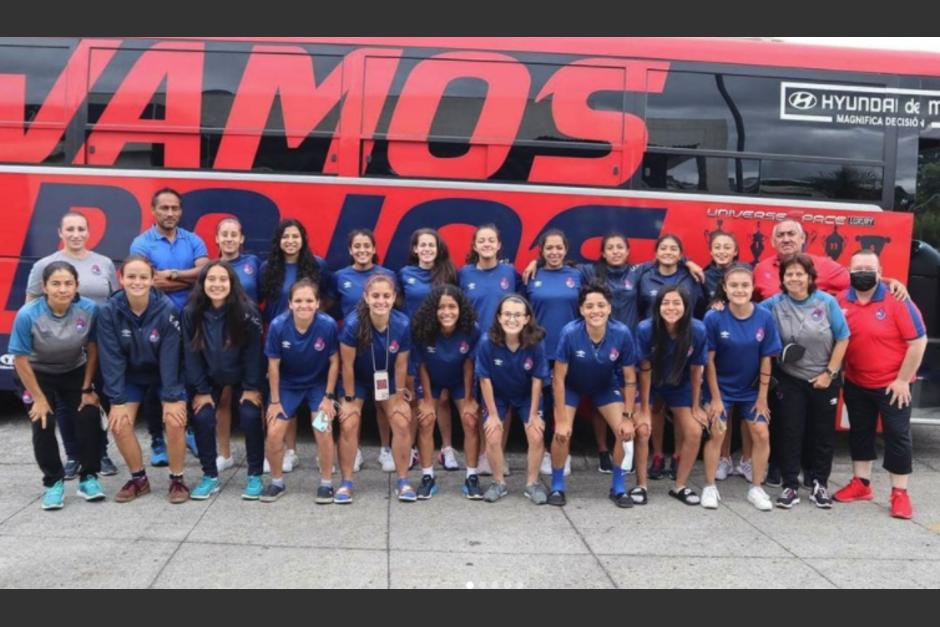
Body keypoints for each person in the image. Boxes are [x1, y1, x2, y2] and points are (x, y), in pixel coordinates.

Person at [834, 250, 927, 519]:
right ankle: (861, 484)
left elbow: (918, 342)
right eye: (858, 268)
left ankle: (900, 493)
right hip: (856, 381)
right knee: (860, 433)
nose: (863, 273)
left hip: (892, 385)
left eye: (869, 268)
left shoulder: (897, 299)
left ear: (879, 271)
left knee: (897, 437)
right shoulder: (841, 300)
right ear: (849, 271)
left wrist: (901, 380)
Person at [25, 211, 119, 478]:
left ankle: (100, 453)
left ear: (89, 233)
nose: (76, 234)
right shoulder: (45, 264)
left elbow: (113, 302)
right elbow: (31, 305)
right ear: (60, 232)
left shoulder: (104, 263)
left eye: (81, 229)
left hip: (99, 344)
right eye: (70, 229)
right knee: (67, 405)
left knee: (96, 399)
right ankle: (74, 456)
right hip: (63, 346)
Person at [11, 261, 104, 509]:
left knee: (89, 414)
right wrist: (39, 399)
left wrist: (87, 389)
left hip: (73, 370)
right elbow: (20, 360)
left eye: (68, 284)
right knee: (43, 420)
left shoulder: (89, 309)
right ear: (44, 286)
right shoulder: (28, 314)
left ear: (76, 286)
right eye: (56, 284)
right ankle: (54, 482)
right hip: (36, 373)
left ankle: (89, 477)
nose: (62, 289)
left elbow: (92, 349)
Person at [97, 255, 189, 504]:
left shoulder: (167, 308)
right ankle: (139, 479)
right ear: (121, 279)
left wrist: (171, 398)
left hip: (164, 374)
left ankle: (177, 479)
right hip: (131, 376)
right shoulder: (109, 312)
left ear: (152, 280)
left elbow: (171, 356)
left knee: (175, 419)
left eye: (143, 277)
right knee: (119, 422)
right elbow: (111, 358)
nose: (137, 282)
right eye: (131, 276)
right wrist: (116, 400)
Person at [760, 254, 849, 510]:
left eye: (800, 274)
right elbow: (746, 311)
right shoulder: (773, 304)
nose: (794, 278)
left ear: (810, 278)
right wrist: (720, 304)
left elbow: (843, 338)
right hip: (790, 379)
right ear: (783, 279)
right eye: (789, 274)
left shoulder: (826, 302)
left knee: (822, 434)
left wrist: (829, 373)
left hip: (823, 377)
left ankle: (820, 484)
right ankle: (790, 485)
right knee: (790, 431)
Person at [129, 188, 209, 466]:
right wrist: (189, 280)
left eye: (175, 208)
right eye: (164, 208)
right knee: (155, 385)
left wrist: (173, 274)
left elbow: (204, 273)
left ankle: (186, 432)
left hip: (190, 322)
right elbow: (149, 281)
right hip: (154, 324)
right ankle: (157, 441)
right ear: (153, 210)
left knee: (187, 379)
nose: (170, 213)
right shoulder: (141, 243)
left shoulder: (194, 240)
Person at [549, 283, 638, 508]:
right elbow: (558, 378)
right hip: (572, 386)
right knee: (562, 433)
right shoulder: (570, 332)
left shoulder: (622, 333)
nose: (595, 311)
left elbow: (629, 378)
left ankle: (618, 486)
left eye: (601, 305)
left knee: (623, 431)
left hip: (604, 386)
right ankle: (557, 485)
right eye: (589, 306)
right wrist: (560, 418)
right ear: (581, 310)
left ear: (609, 308)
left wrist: (628, 416)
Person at [182, 261, 265, 501]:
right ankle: (210, 476)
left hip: (242, 377)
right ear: (203, 283)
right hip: (209, 378)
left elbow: (253, 353)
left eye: (222, 280)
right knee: (203, 416)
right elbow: (191, 354)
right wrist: (201, 390)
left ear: (232, 283)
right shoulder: (191, 312)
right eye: (211, 280)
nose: (217, 284)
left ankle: (255, 475)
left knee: (250, 415)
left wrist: (250, 388)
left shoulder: (247, 310)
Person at [702, 264, 781, 511]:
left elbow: (766, 358)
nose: (739, 290)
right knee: (718, 431)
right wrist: (715, 399)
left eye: (745, 285)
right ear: (725, 288)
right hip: (720, 389)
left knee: (761, 433)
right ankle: (709, 486)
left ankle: (756, 488)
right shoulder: (713, 317)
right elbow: (709, 361)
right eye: (734, 285)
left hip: (750, 390)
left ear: (752, 288)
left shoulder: (764, 317)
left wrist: (762, 397)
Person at [259, 218, 330, 474]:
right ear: (279, 241)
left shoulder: (317, 265)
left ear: (303, 239)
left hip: (310, 343)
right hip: (280, 342)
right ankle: (289, 452)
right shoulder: (268, 268)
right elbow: (259, 302)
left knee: (318, 409)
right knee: (284, 399)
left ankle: (325, 458)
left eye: (295, 236)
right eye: (285, 236)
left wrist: (313, 323)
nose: (290, 241)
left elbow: (329, 297)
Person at [261, 279, 339, 504]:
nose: (304, 305)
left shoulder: (328, 325)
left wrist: (328, 397)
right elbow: (273, 366)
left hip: (318, 386)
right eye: (298, 301)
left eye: (309, 301)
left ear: (317, 304)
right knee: (275, 432)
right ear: (290, 304)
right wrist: (275, 401)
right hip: (287, 385)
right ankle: (277, 482)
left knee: (323, 428)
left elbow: (335, 362)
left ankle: (326, 483)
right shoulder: (278, 325)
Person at [339, 273, 414, 502]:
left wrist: (400, 395)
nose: (381, 301)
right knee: (349, 422)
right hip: (359, 379)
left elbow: (401, 365)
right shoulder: (353, 324)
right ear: (366, 297)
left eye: (386, 296)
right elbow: (348, 365)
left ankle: (402, 481)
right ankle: (346, 483)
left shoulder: (402, 324)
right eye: (375, 296)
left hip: (388, 378)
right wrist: (350, 400)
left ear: (393, 298)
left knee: (401, 420)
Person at [636, 235, 707, 482]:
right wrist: (642, 407)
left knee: (687, 422)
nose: (672, 307)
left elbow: (697, 370)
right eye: (663, 248)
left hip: (680, 377)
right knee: (653, 412)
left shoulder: (697, 327)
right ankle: (657, 456)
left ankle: (678, 460)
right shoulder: (644, 275)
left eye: (674, 248)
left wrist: (697, 406)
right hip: (654, 371)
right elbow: (643, 370)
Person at [458, 224, 523, 476]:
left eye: (491, 240)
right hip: (474, 350)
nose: (486, 244)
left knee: (501, 404)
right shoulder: (464, 274)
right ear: (474, 246)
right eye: (481, 241)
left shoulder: (509, 272)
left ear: (498, 246)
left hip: (504, 348)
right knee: (477, 403)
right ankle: (481, 455)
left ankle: (497, 455)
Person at [474, 295, 551, 504]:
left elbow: (537, 380)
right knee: (492, 434)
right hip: (497, 394)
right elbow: (484, 380)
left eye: (518, 315)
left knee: (535, 434)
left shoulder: (536, 342)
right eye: (507, 314)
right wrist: (491, 415)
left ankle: (532, 484)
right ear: (499, 317)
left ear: (526, 319)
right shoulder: (487, 341)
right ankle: (498, 482)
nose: (512, 319)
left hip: (526, 395)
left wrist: (534, 415)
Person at [398, 228, 461, 472]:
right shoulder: (404, 273)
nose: (426, 249)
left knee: (442, 398)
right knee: (414, 397)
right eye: (422, 245)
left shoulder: (448, 273)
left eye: (431, 245)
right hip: (413, 343)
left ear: (438, 249)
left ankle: (446, 449)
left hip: (441, 342)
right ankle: (413, 449)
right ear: (415, 249)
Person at [333, 228, 395, 471]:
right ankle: (354, 450)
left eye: (366, 246)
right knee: (352, 405)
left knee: (382, 403)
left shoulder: (387, 275)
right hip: (353, 349)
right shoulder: (340, 276)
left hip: (381, 351)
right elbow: (330, 304)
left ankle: (385, 449)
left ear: (374, 248)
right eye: (357, 246)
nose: (362, 250)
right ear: (350, 250)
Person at [411, 285, 481, 498]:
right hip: (432, 380)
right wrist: (425, 400)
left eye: (452, 306)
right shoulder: (423, 328)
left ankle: (471, 476)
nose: (446, 312)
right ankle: (427, 476)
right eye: (441, 307)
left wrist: (469, 399)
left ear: (461, 309)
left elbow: (469, 365)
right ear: (434, 309)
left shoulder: (471, 329)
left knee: (470, 420)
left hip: (460, 381)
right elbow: (421, 364)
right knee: (425, 420)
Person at [525, 229, 582, 477]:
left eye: (559, 247)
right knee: (542, 404)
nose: (554, 252)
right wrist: (533, 263)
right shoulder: (531, 276)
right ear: (542, 250)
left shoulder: (578, 275)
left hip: (568, 351)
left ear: (566, 250)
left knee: (564, 404)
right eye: (549, 248)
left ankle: (562, 451)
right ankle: (545, 452)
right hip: (539, 350)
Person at [701, 231, 756, 483]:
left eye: (727, 247)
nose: (722, 251)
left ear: (736, 251)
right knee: (723, 411)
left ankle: (747, 459)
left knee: (748, 416)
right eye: (717, 247)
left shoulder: (749, 272)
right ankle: (723, 458)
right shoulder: (701, 275)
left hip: (746, 350)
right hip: (718, 349)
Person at [212, 217, 261, 473]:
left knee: (253, 398)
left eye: (234, 234)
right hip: (221, 342)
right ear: (217, 239)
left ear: (241, 239)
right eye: (224, 234)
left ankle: (260, 453)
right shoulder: (212, 268)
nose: (229, 238)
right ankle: (225, 453)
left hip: (250, 340)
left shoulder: (253, 263)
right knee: (223, 399)